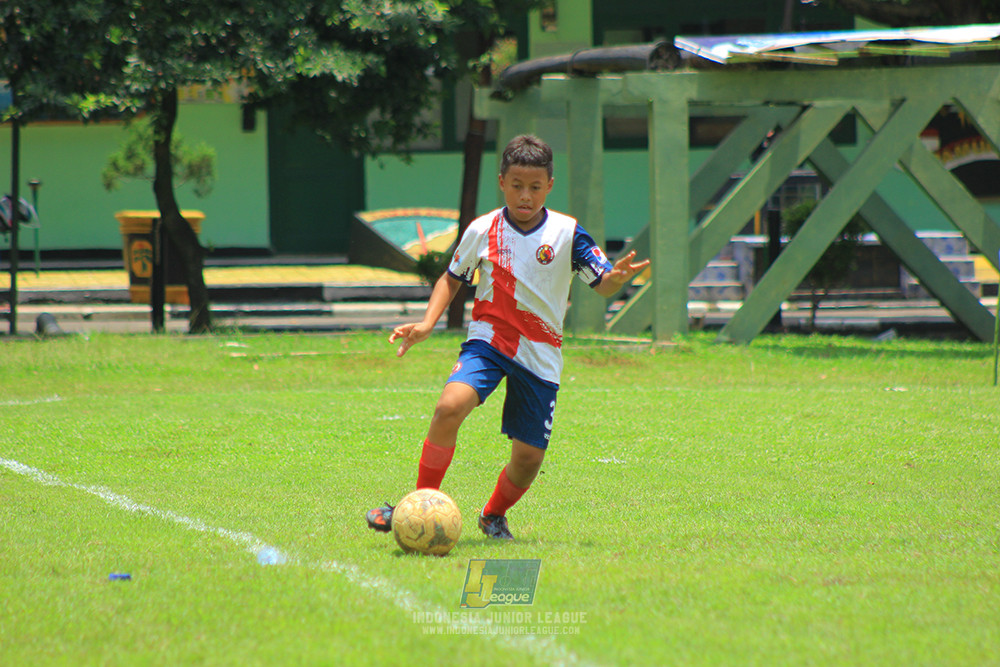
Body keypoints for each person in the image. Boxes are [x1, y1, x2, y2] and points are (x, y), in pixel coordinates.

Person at [365, 134, 649, 540]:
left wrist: (615, 281)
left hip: (541, 354)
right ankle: (419, 505)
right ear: (502, 182)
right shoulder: (483, 229)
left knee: (529, 457)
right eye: (517, 186)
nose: (525, 196)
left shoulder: (568, 233)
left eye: (535, 187)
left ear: (550, 185)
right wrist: (427, 323)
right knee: (449, 407)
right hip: (489, 342)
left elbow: (601, 284)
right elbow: (453, 277)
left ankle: (493, 514)